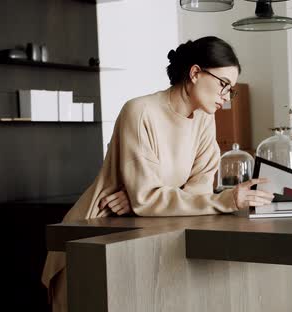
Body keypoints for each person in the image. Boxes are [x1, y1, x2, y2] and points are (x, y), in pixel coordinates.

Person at [41, 36, 275, 312]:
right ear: (195, 73)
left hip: (148, 229)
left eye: (231, 90)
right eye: (224, 84)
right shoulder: (140, 111)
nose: (226, 97)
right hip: (98, 233)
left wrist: (143, 201)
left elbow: (194, 191)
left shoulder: (204, 119)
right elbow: (150, 198)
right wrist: (222, 200)